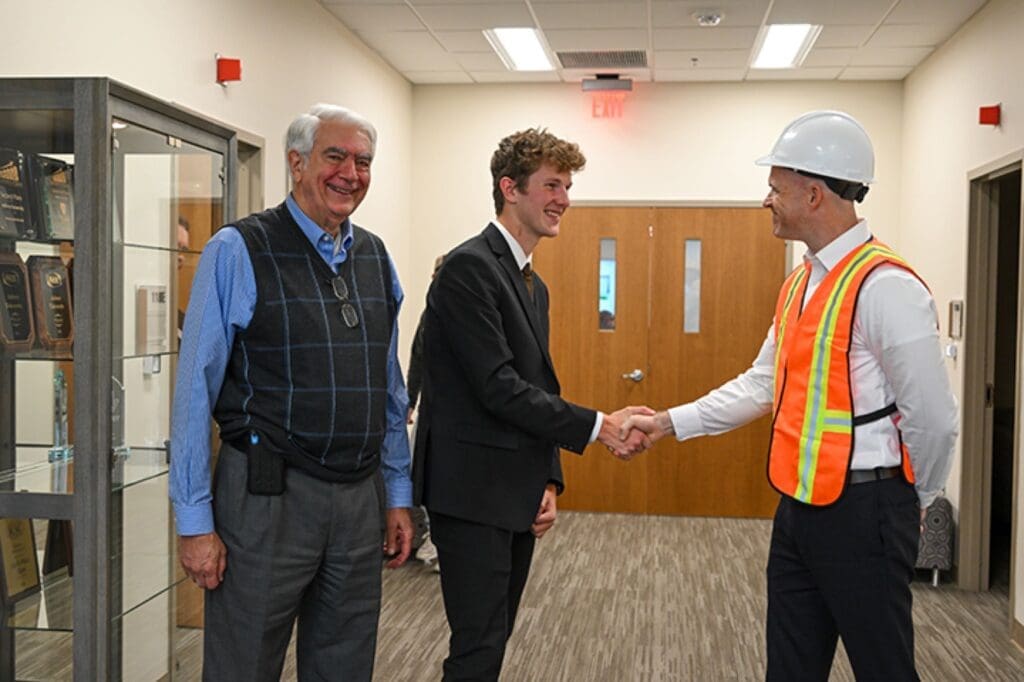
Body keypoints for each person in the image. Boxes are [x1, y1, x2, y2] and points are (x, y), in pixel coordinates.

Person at [624, 110, 958, 681]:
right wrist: (669, 422)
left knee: (884, 667)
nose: (765, 201)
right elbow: (763, 382)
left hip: (868, 514)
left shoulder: (887, 287)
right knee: (790, 668)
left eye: (774, 189)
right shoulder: (801, 282)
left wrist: (915, 499)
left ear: (813, 193)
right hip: (798, 512)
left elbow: (934, 419)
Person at [169, 103, 413, 682]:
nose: (350, 173)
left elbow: (389, 387)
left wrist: (397, 491)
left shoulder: (375, 257)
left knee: (345, 665)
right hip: (265, 499)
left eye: (364, 161)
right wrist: (194, 521)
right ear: (296, 162)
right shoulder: (238, 250)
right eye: (336, 156)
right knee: (243, 664)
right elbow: (193, 393)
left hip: (358, 502)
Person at [413, 128, 651, 681]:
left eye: (567, 185)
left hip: (513, 492)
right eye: (550, 184)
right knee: (476, 648)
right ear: (509, 188)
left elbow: (535, 386)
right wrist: (599, 426)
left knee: (494, 641)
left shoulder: (531, 283)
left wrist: (548, 479)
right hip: (471, 496)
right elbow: (497, 386)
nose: (563, 198)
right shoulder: (469, 268)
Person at [406, 253, 445, 570]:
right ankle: (431, 534)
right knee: (421, 472)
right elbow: (417, 356)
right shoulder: (429, 315)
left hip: (458, 416)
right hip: (431, 410)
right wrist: (409, 400)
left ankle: (441, 539)